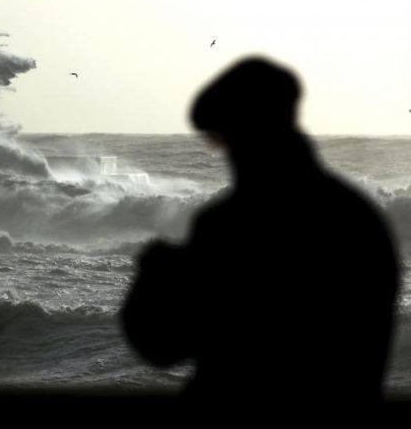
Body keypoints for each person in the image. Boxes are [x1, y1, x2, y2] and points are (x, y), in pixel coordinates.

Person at [121, 56, 399, 410]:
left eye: (220, 138)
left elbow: (163, 347)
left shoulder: (229, 224)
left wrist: (155, 275)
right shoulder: (358, 216)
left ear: (242, 132)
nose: (222, 153)